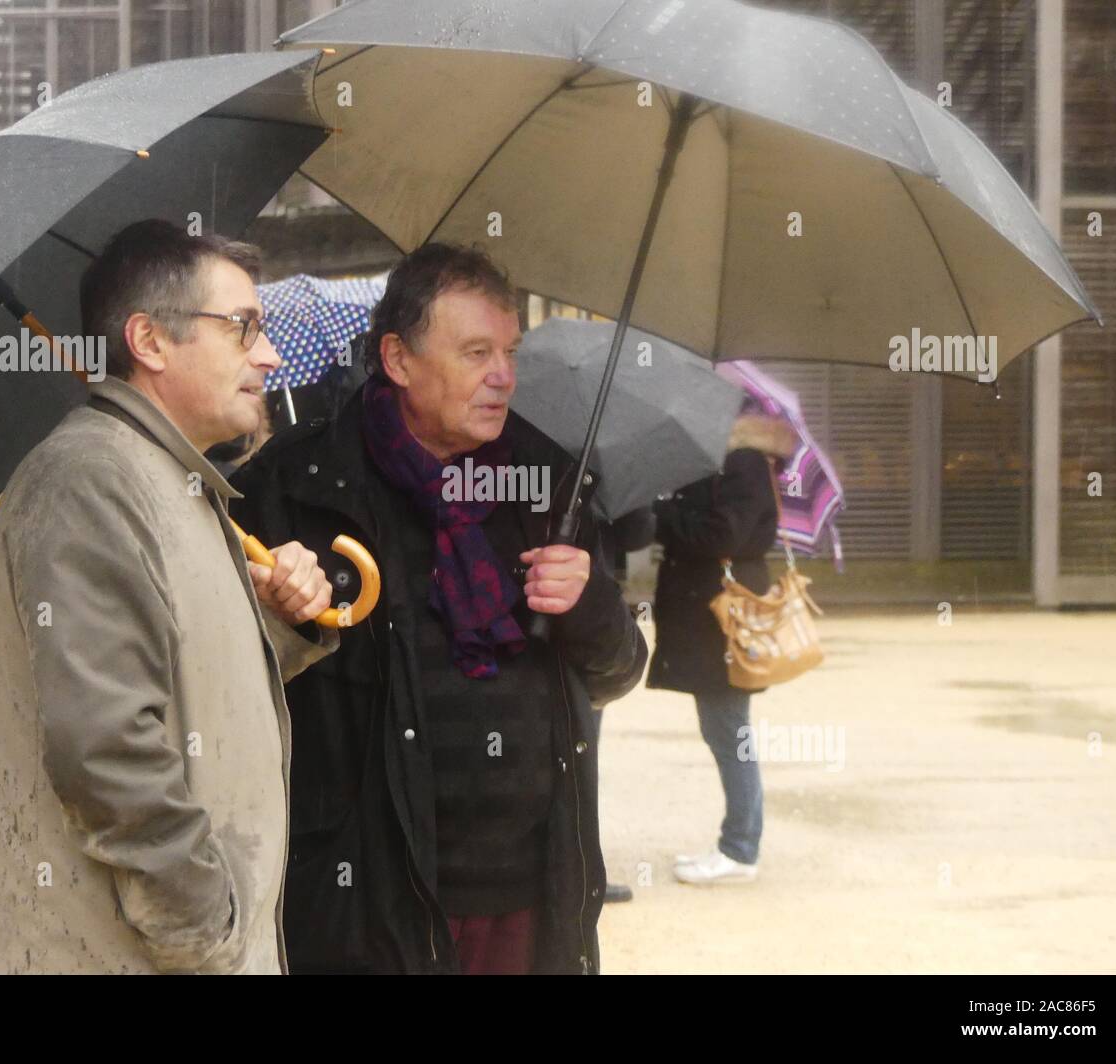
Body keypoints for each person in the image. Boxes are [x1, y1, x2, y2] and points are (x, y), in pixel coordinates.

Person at [229, 243, 648, 974]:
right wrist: (281, 615)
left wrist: (591, 603)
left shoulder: (548, 481)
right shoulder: (296, 486)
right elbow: (232, 693)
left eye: (509, 351)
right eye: (476, 352)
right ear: (397, 358)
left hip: (529, 891)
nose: (503, 377)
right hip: (367, 896)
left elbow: (617, 671)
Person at [0, 219, 336, 974]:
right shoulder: (91, 483)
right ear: (150, 342)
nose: (269, 354)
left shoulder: (172, 480)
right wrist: (204, 928)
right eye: (242, 327)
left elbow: (184, 683)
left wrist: (275, 622)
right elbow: (108, 747)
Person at [646, 414, 797, 885]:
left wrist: (663, 513)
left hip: (725, 618)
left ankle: (739, 849)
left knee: (731, 732)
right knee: (723, 730)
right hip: (709, 616)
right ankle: (737, 844)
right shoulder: (719, 462)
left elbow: (723, 535)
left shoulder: (744, 462)